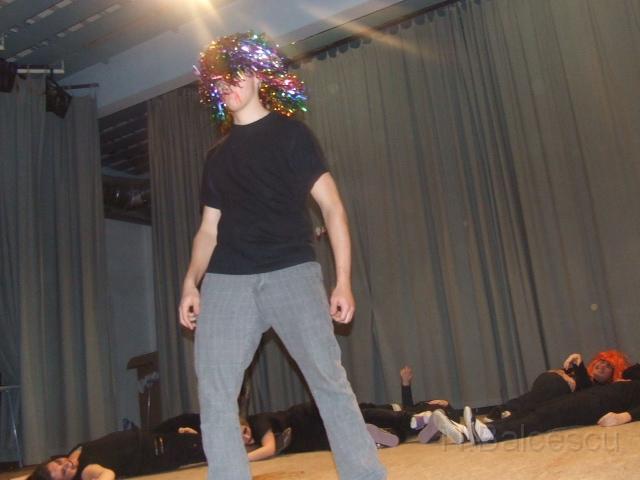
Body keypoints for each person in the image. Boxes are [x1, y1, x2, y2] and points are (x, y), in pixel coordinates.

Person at [179, 32, 385, 480]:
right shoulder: (216, 157)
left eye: (234, 77)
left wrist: (343, 280)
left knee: (328, 381)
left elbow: (332, 207)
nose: (227, 87)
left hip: (291, 271)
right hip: (228, 279)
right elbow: (208, 230)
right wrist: (191, 282)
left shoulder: (292, 134)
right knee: (215, 391)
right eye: (218, 83)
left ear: (256, 75)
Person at [431, 362, 640, 445]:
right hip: (595, 395)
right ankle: (468, 432)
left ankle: (489, 433)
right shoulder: (630, 377)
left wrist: (625, 416)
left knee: (548, 416)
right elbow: (631, 371)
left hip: (602, 404)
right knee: (538, 408)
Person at [26, 414, 205, 480]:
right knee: (209, 445)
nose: (66, 464)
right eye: (64, 472)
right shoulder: (86, 471)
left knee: (190, 419)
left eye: (58, 462)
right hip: (156, 453)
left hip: (149, 435)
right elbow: (107, 475)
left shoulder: (71, 455)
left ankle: (190, 436)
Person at [487, 350, 631, 420]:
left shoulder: (602, 390)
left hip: (556, 391)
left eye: (608, 366)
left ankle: (504, 410)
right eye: (601, 362)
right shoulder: (582, 374)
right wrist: (562, 373)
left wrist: (578, 364)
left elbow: (587, 388)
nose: (602, 366)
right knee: (540, 395)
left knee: (536, 399)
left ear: (613, 374)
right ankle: (508, 413)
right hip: (551, 382)